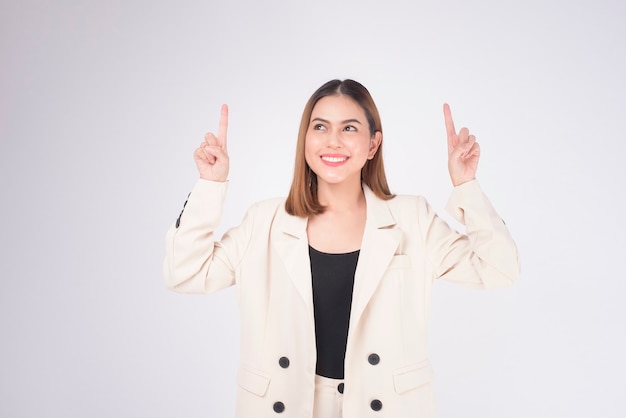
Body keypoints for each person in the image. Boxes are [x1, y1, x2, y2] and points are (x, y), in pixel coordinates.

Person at [164, 79, 520, 418]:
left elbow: (499, 269)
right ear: (305, 140)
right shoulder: (264, 221)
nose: (333, 140)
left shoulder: (412, 218)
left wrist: (467, 185)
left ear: (372, 145)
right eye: (320, 127)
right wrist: (210, 186)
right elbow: (185, 273)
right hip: (286, 404)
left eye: (349, 128)